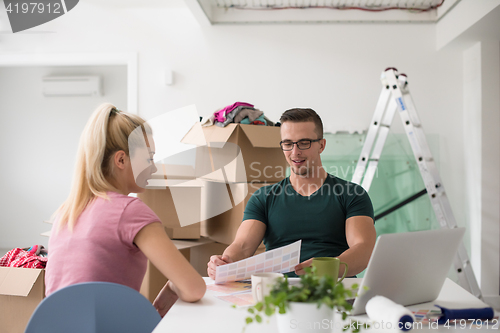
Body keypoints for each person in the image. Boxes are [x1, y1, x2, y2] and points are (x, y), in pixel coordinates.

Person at [45, 103, 206, 317]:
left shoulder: (67, 212)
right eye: (149, 158)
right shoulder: (130, 211)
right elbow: (194, 289)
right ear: (121, 159)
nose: (154, 167)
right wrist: (175, 286)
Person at [207, 108, 376, 279]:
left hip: (334, 291)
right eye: (288, 144)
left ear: (322, 145)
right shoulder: (263, 198)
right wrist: (225, 262)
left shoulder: (352, 194)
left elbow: (363, 249)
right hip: (279, 293)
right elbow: (242, 246)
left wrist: (330, 268)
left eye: (304, 143)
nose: (295, 152)